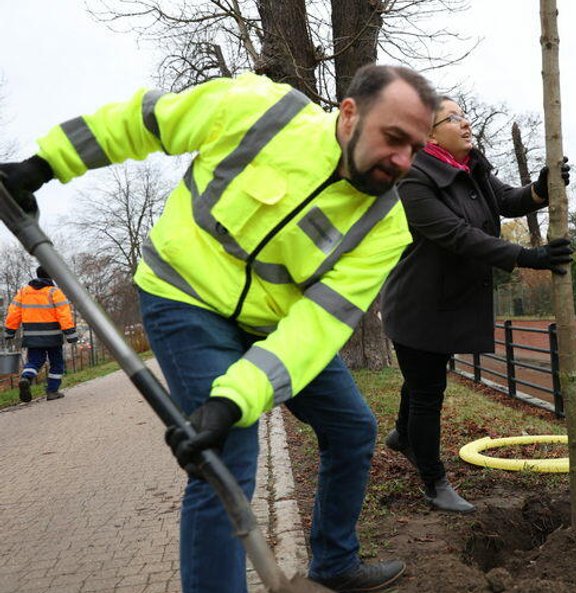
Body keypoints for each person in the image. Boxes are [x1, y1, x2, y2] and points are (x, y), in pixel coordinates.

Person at [0, 64, 438, 593]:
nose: (402, 161)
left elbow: (318, 327)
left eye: (415, 147)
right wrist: (45, 163)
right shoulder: (260, 110)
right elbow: (147, 122)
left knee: (353, 429)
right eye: (393, 138)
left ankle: (334, 562)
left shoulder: (385, 226)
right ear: (349, 114)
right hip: (183, 297)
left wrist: (235, 397)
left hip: (273, 327)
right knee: (225, 460)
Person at [380, 96, 572, 513]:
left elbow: (506, 200)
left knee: (421, 378)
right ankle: (433, 481)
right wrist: (526, 256)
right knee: (429, 390)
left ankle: (402, 435)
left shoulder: (471, 167)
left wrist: (540, 189)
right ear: (427, 134)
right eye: (453, 118)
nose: (465, 124)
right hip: (418, 305)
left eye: (464, 116)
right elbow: (456, 235)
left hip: (447, 300)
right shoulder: (412, 179)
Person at [4, 265, 78, 402]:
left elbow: (13, 312)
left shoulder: (23, 292)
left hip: (32, 337)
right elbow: (64, 315)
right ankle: (52, 391)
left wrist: (10, 331)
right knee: (56, 363)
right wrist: (70, 333)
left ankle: (26, 378)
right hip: (53, 337)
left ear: (37, 275)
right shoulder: (54, 292)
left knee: (34, 361)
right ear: (51, 276)